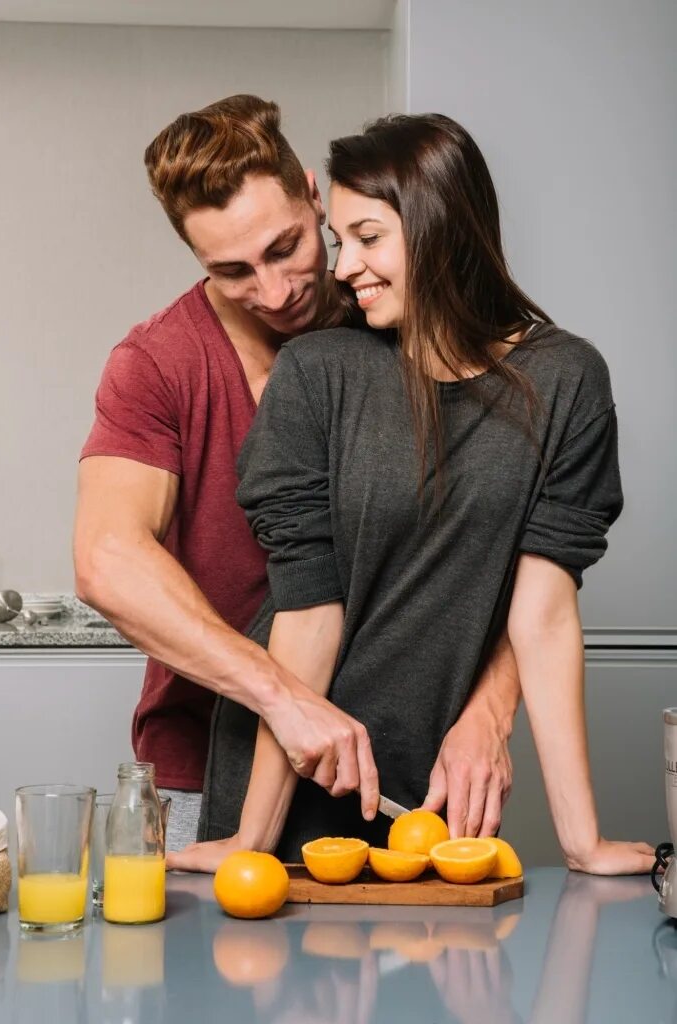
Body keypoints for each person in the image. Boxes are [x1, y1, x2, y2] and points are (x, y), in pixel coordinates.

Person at [174, 112, 654, 874]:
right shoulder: (318, 372)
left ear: (439, 226)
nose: (341, 268)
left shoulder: (566, 380)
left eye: (367, 237)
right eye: (340, 241)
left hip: (429, 798)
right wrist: (249, 840)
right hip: (292, 774)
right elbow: (307, 611)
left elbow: (545, 616)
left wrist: (582, 841)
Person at [74, 97, 521, 851]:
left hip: (403, 776)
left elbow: (510, 546)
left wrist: (492, 707)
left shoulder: (405, 323)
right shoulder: (156, 364)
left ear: (316, 197)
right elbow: (106, 560)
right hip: (202, 769)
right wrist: (283, 699)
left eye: (286, 247)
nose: (276, 290)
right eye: (233, 271)